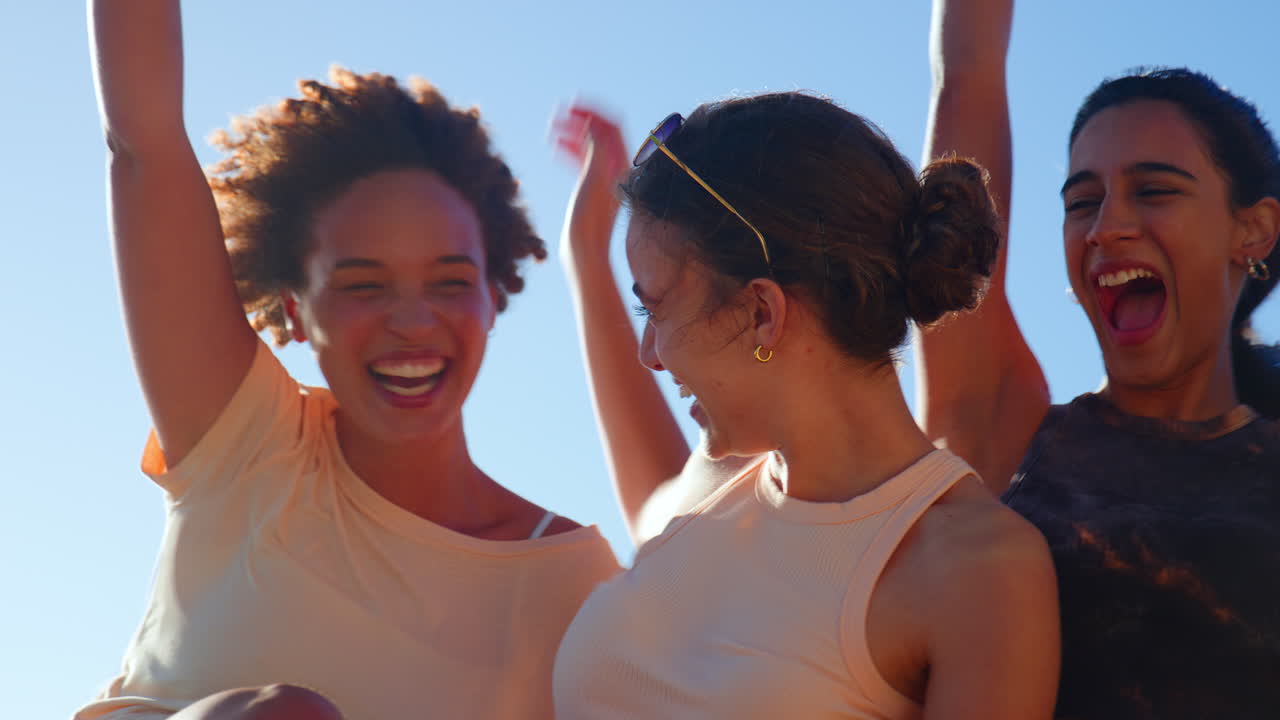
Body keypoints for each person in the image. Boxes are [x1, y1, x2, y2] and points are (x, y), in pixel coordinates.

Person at [79, 1, 619, 718]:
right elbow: (142, 142)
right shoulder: (246, 446)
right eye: (364, 285)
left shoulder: (573, 585)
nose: (412, 321)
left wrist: (592, 250)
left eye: (450, 283)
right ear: (297, 312)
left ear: (493, 298)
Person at [551, 93, 1058, 717]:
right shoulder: (716, 484)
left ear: (763, 313)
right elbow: (655, 501)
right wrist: (583, 257)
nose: (650, 355)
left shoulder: (978, 569)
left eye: (654, 308)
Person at [920, 0, 1280, 716]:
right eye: (1082, 201)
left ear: (1254, 231)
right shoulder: (1008, 430)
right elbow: (967, 80)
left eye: (1154, 190)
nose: (1108, 225)